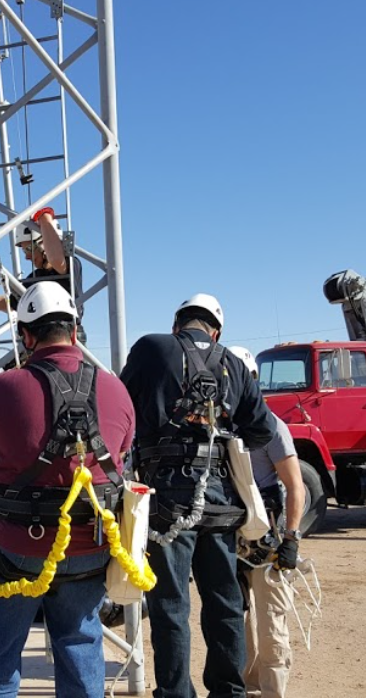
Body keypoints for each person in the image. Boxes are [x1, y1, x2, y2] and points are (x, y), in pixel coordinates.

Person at [0, 282, 135, 697]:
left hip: (18, 550)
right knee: (79, 646)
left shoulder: (4, 386)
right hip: (89, 548)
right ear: (74, 332)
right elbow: (122, 453)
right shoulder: (115, 387)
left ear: (26, 336)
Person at [120, 294, 277, 698]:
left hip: (169, 497)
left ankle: (175, 693)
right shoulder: (236, 365)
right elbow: (263, 432)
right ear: (217, 330)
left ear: (177, 324)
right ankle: (229, 690)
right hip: (220, 497)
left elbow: (121, 406)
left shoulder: (152, 348)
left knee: (171, 605)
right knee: (224, 600)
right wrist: (222, 430)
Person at [228, 346, 305, 698]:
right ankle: (247, 682)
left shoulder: (272, 426)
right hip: (229, 529)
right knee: (237, 614)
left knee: (271, 613)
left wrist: (291, 537)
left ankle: (274, 689)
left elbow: (294, 485)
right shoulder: (219, 427)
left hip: (268, 530)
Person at [0, 207, 86, 342]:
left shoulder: (69, 266)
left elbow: (56, 259)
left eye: (28, 249)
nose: (27, 257)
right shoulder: (36, 278)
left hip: (66, 335)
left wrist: (44, 217)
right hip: (42, 337)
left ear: (43, 243)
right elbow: (11, 301)